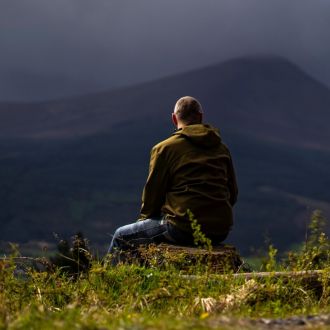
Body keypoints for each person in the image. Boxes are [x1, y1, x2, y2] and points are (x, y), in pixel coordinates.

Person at [108, 96, 238, 259]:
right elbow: (232, 193)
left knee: (121, 236)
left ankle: (112, 283)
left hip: (181, 228)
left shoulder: (165, 148)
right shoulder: (222, 148)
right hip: (220, 230)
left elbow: (152, 197)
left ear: (174, 118)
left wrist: (144, 222)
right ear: (200, 117)